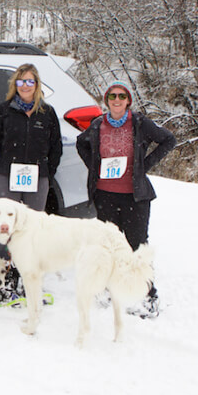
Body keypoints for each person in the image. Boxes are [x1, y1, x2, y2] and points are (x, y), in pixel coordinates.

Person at [75, 80, 175, 318]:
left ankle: (147, 294)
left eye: (121, 96)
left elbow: (168, 140)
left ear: (128, 100)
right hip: (105, 194)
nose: (117, 100)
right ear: (107, 100)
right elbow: (81, 144)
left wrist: (145, 165)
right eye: (112, 96)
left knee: (137, 244)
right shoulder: (98, 124)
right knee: (109, 245)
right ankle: (111, 288)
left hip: (135, 195)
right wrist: (94, 167)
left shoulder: (140, 123)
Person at [0, 63, 62, 305]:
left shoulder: (47, 113)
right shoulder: (4, 111)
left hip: (38, 178)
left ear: (37, 85)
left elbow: (56, 146)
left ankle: (31, 284)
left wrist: (48, 171)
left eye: (30, 81)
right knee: (7, 232)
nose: (25, 86)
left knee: (33, 231)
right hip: (9, 175)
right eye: (21, 81)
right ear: (14, 85)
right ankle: (5, 285)